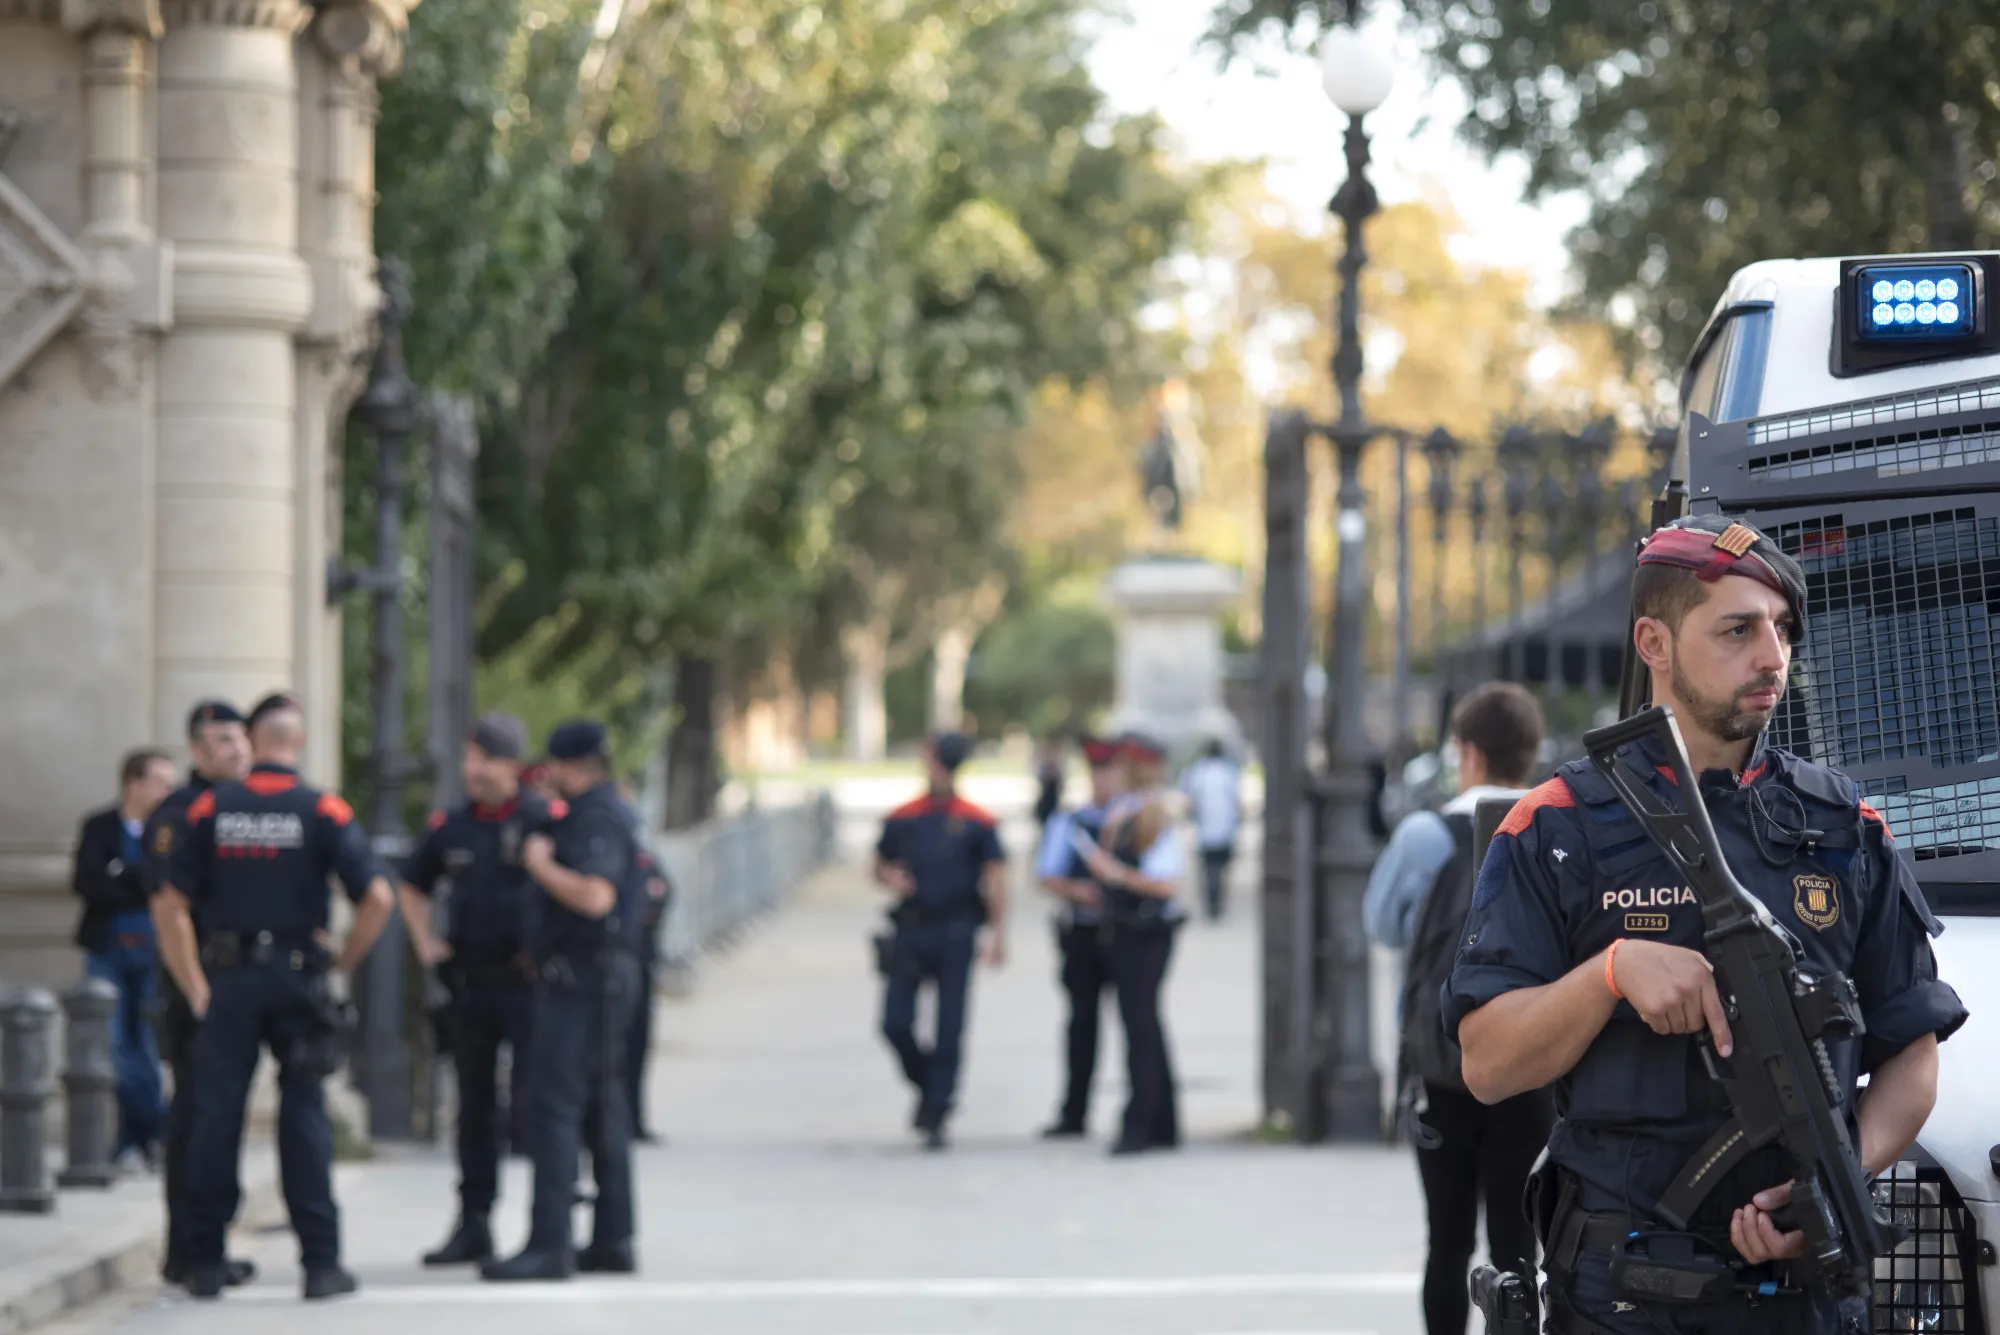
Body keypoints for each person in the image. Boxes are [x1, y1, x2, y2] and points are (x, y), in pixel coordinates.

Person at [1447, 516, 1970, 1335]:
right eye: (1738, 630)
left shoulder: (1845, 826)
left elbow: (1912, 1052)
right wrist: (1609, 974)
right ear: (1653, 642)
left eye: (1782, 629)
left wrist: (1833, 1186)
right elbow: (1486, 1063)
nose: (1773, 656)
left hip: (1808, 1298)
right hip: (1622, 1298)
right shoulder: (1556, 824)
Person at [154, 693, 394, 1301]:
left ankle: (205, 1262)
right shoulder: (322, 809)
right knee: (304, 1112)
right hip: (297, 977)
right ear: (298, 741)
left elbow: (169, 903)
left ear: (254, 741)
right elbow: (378, 897)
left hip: (228, 981)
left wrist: (194, 983)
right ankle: (321, 1263)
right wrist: (343, 961)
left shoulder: (211, 807)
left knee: (216, 1117)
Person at [1365, 682, 1553, 1335]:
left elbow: (1382, 924)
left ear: (1468, 752)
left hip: (1444, 1065)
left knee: (1446, 1240)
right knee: (1518, 1243)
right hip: (1531, 1061)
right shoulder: (1554, 824)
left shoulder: (1425, 835)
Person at [482, 719, 645, 1282]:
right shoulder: (604, 810)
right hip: (599, 978)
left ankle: (549, 1244)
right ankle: (612, 1239)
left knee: (553, 1110)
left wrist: (540, 865)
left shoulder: (594, 817)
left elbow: (595, 897)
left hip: (583, 983)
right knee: (604, 1107)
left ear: (571, 766)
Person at [398, 712, 561, 1268]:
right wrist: (426, 943)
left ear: (513, 764)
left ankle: (549, 1226)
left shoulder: (543, 820)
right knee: (473, 1110)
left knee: (539, 1106)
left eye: (485, 759)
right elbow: (411, 885)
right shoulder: (452, 825)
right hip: (470, 981)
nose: (474, 770)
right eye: (469, 758)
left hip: (530, 984)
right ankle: (474, 1222)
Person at [142, 701, 254, 1290]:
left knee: (220, 1118)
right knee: (195, 1116)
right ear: (197, 750)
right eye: (223, 740)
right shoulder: (179, 813)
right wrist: (196, 989)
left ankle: (208, 1241)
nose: (237, 749)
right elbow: (167, 906)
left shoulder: (246, 806)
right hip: (197, 981)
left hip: (235, 983)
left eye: (241, 738)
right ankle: (186, 1248)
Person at [874, 731, 1007, 1151]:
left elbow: (996, 878)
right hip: (911, 928)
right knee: (895, 1023)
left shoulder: (976, 820)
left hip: (957, 929)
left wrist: (998, 934)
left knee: (950, 1026)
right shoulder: (905, 816)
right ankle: (929, 1085)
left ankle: (938, 1108)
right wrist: (890, 877)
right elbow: (878, 862)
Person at [1074, 733, 1185, 1155]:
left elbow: (1165, 882)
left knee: (1141, 1025)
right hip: (1126, 929)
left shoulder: (1149, 815)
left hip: (1144, 931)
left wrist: (1114, 873)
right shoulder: (1125, 813)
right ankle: (1159, 1121)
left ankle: (1142, 1120)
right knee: (1143, 1024)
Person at [73, 747, 178, 1173]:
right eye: (161, 782)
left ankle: (142, 1139)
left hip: (153, 953)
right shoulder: (100, 827)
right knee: (116, 1049)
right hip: (108, 950)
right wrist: (136, 882)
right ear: (134, 783)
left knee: (147, 1047)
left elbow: (166, 886)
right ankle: (149, 1134)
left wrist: (126, 874)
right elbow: (90, 884)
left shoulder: (168, 831)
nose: (169, 791)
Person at [1033, 735, 1124, 1138]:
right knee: (1082, 1022)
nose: (1103, 780)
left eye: (1110, 771)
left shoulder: (1136, 818)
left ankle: (1142, 1113)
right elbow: (1047, 876)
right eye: (1097, 772)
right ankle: (1075, 1111)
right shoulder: (1071, 822)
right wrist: (1077, 891)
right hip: (1083, 932)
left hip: (1127, 933)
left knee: (1137, 1024)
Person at [1179, 738, 1241, 921]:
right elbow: (1236, 799)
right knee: (1220, 869)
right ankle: (1217, 904)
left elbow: (1189, 797)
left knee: (1208, 869)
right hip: (1225, 828)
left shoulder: (1199, 771)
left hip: (1205, 830)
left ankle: (1211, 904)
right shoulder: (1228, 771)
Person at [1032, 736, 1066, 832]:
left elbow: (1061, 787)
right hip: (1044, 804)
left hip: (1054, 804)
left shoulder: (1058, 769)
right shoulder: (1044, 768)